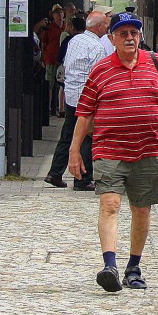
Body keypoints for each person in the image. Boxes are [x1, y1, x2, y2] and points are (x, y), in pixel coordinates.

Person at [68, 11, 158, 293]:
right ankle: (110, 267)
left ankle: (133, 267)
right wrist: (74, 151)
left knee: (142, 208)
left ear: (140, 36)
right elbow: (84, 113)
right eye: (123, 33)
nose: (129, 38)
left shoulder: (157, 64)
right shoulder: (100, 70)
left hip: (149, 150)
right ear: (112, 38)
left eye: (134, 33)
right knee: (110, 204)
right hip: (110, 149)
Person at [44, 10, 108, 190]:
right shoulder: (97, 47)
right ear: (98, 27)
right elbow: (98, 75)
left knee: (67, 135)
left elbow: (66, 64)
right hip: (87, 98)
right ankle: (83, 179)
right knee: (86, 138)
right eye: (105, 25)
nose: (106, 28)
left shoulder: (75, 40)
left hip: (72, 94)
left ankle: (55, 173)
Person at [35, 4, 65, 112]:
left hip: (63, 62)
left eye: (61, 12)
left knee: (62, 85)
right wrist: (43, 59)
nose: (59, 15)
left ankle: (60, 108)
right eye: (57, 13)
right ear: (53, 15)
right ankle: (47, 108)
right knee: (49, 85)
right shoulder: (49, 28)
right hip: (50, 60)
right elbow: (43, 45)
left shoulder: (66, 27)